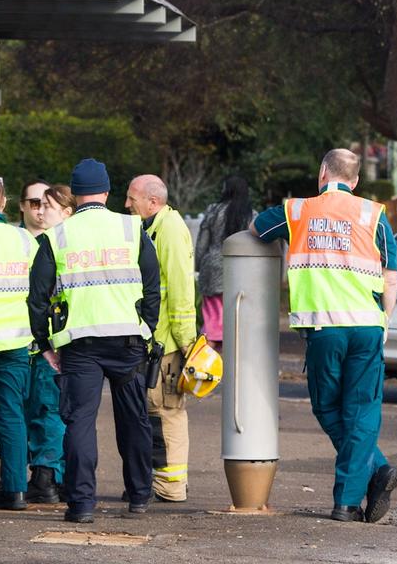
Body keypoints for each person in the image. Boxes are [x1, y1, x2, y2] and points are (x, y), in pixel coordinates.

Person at [251, 148, 397, 523]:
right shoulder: (374, 214)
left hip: (324, 329)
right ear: (355, 181)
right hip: (367, 326)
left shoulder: (297, 211)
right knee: (362, 410)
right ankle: (359, 489)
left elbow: (257, 229)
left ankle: (358, 490)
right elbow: (391, 278)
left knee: (326, 407)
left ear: (322, 173)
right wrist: (384, 321)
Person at [28, 158, 161, 523]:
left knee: (80, 423)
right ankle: (138, 496)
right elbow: (153, 287)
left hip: (79, 345)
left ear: (75, 193)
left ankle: (82, 505)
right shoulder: (132, 229)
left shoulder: (56, 237)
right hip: (128, 343)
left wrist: (45, 344)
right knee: (134, 420)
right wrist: (146, 328)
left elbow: (37, 297)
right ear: (105, 191)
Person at [125, 174, 196, 503]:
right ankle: (159, 481)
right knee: (153, 412)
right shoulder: (154, 227)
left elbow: (181, 289)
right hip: (155, 339)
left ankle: (171, 486)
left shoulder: (168, 230)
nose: (127, 204)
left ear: (152, 202)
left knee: (165, 412)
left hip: (166, 342)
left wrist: (186, 341)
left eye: (132, 198)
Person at [0, 173, 34, 510]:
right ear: (3, 201)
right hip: (16, 337)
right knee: (12, 412)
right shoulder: (25, 240)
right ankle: (14, 491)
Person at [17, 179, 67, 504]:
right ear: (21, 206)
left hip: (50, 343)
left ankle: (48, 476)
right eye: (34, 203)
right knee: (23, 411)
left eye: (45, 203)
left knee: (50, 410)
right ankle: (37, 474)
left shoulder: (61, 242)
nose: (39, 209)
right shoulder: (14, 242)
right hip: (19, 341)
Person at [195, 176, 253, 351]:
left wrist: (199, 266)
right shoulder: (251, 215)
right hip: (240, 272)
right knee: (235, 321)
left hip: (213, 269)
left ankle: (204, 369)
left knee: (212, 323)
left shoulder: (213, 211)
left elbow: (201, 245)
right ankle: (234, 369)